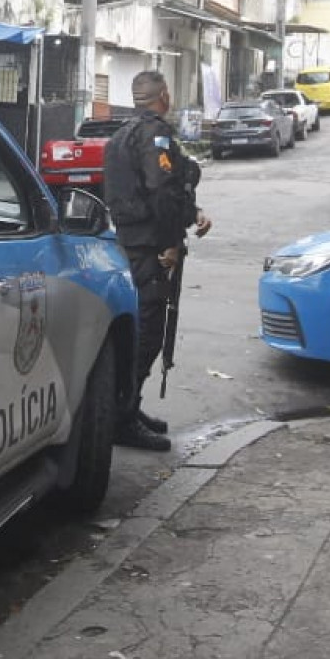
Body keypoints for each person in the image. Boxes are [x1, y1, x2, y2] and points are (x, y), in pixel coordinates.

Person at [102, 71, 213, 452]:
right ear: (163, 95)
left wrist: (193, 211)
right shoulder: (155, 134)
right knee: (148, 333)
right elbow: (160, 191)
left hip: (132, 243)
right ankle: (122, 419)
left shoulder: (122, 134)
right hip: (150, 247)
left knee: (144, 329)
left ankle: (128, 408)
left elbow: (156, 188)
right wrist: (169, 244)